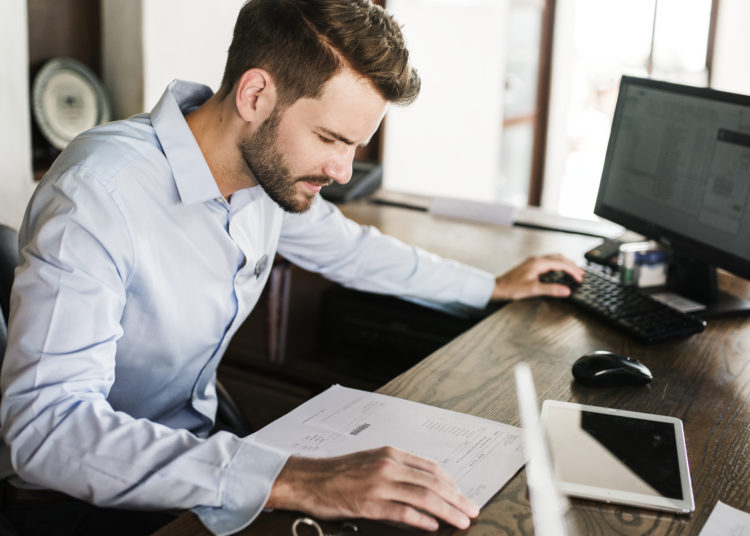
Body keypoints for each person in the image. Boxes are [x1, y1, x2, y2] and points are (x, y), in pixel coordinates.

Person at [0, 0, 583, 534]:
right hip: (83, 498)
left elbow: (354, 250)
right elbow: (47, 429)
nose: (344, 171)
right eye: (331, 138)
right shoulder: (98, 196)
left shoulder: (262, 176)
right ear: (255, 97)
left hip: (203, 445)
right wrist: (297, 479)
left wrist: (492, 286)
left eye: (355, 146)